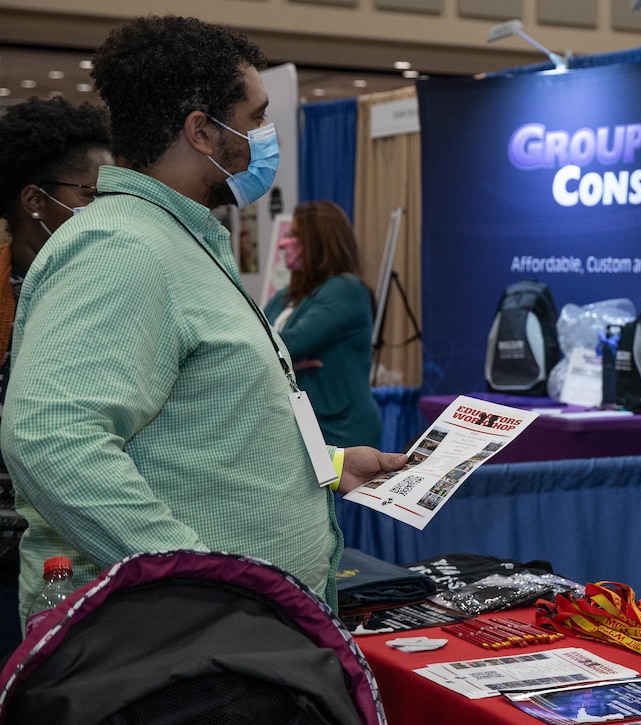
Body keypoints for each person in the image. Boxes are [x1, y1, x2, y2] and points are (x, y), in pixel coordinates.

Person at [0, 15, 407, 628]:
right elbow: (53, 438)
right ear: (202, 132)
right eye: (255, 118)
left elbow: (212, 419)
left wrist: (330, 464)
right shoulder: (123, 245)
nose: (265, 136)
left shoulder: (182, 240)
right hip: (185, 638)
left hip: (237, 628)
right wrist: (196, 575)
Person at [0, 96, 113, 654]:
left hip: (71, 561)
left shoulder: (104, 286)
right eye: (93, 195)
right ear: (34, 200)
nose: (108, 210)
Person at [264, 201, 382, 448]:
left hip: (340, 430)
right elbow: (254, 341)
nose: (284, 243)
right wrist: (288, 362)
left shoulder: (347, 288)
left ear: (319, 240)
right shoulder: (286, 295)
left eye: (294, 235)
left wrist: (286, 360)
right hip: (297, 426)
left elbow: (291, 344)